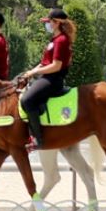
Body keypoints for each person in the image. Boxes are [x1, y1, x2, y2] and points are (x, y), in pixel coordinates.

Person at [17, 8, 74, 153]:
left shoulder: (62, 40)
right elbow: (44, 63)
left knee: (27, 100)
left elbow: (56, 66)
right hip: (46, 77)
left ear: (56, 23)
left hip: (54, 80)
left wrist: (35, 72)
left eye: (49, 22)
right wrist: (29, 73)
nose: (47, 24)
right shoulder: (54, 40)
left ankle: (38, 139)